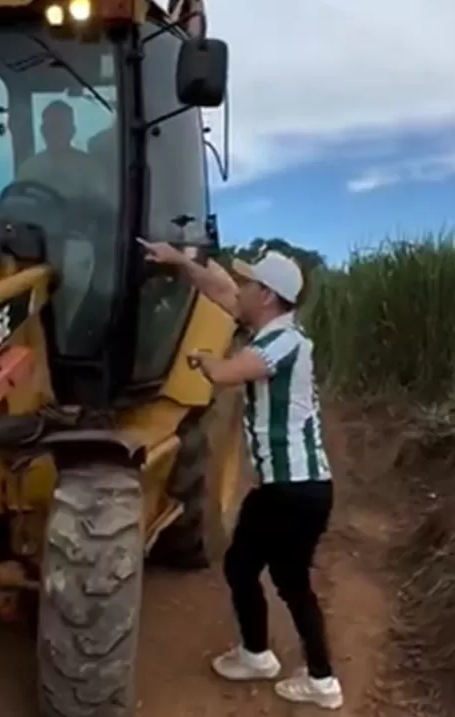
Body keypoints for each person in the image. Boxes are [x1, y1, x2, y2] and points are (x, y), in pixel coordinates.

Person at [138, 240, 343, 711]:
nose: (241, 289)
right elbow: (218, 291)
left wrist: (203, 359)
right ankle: (279, 661)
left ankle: (309, 675)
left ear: (267, 296)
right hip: (298, 488)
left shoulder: (283, 344)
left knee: (267, 573)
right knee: (267, 571)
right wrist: (180, 261)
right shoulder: (272, 328)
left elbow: (231, 373)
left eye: (250, 284)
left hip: (292, 488)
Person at [17, 100, 103, 198]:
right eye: (50, 128)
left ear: (72, 131)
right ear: (42, 131)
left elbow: (97, 204)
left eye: (60, 127)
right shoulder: (28, 169)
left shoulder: (90, 168)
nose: (55, 133)